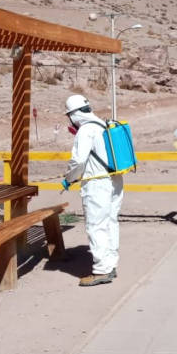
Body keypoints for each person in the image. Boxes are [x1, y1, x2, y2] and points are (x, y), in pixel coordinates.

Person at [63, 94, 124, 287]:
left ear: (73, 115)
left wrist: (68, 178)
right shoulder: (102, 125)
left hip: (97, 184)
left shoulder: (86, 130)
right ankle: (110, 264)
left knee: (96, 226)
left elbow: (79, 161)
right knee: (110, 222)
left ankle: (100, 271)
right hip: (115, 180)